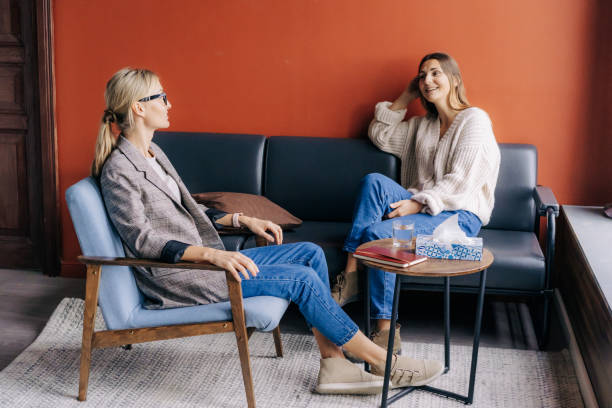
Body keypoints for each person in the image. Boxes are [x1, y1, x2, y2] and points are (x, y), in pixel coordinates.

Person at [91, 67, 444, 396]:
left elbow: (187, 210)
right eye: (161, 97)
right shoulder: (119, 170)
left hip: (208, 261)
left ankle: (334, 363)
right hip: (185, 275)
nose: (170, 103)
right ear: (139, 107)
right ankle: (385, 364)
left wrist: (241, 220)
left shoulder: (153, 153)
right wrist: (213, 254)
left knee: (309, 253)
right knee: (301, 280)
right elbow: (143, 240)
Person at [331, 53, 501, 356]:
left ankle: (385, 330)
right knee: (374, 181)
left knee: (379, 235)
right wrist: (407, 94)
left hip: (457, 216)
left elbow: (460, 181)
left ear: (455, 80)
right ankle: (352, 272)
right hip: (421, 206)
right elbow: (379, 134)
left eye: (436, 73)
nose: (427, 81)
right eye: (422, 76)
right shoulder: (421, 126)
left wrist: (416, 204)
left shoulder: (475, 119)